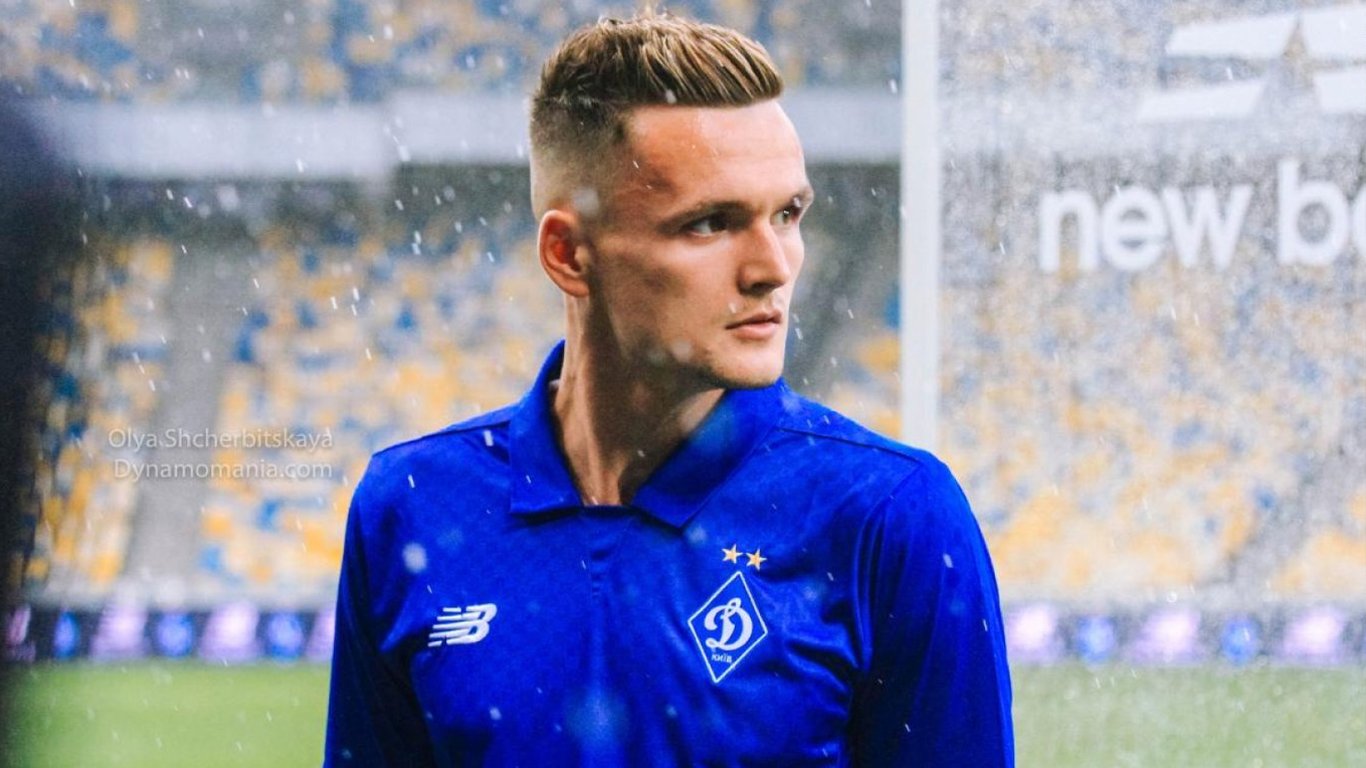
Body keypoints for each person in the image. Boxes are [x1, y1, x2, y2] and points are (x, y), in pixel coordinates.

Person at [325, 12, 1012, 766]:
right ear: (569, 254)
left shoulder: (890, 517)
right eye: (711, 224)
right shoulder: (410, 506)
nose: (774, 267)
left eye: (788, 214)